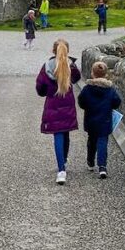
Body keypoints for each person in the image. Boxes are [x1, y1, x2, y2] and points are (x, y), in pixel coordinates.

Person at [35, 39, 81, 184]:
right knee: (65, 131)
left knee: (58, 135)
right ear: (67, 51)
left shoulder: (46, 67)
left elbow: (40, 88)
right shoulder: (70, 66)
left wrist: (47, 91)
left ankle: (61, 169)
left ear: (53, 51)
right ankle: (64, 160)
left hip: (53, 104)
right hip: (67, 104)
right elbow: (77, 78)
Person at [77, 61, 122, 179]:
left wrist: (87, 107)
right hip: (105, 120)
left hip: (91, 120)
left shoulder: (87, 89)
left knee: (91, 141)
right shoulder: (110, 90)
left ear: (92, 73)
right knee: (102, 142)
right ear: (105, 74)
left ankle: (90, 162)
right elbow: (117, 102)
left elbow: (81, 102)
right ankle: (102, 167)